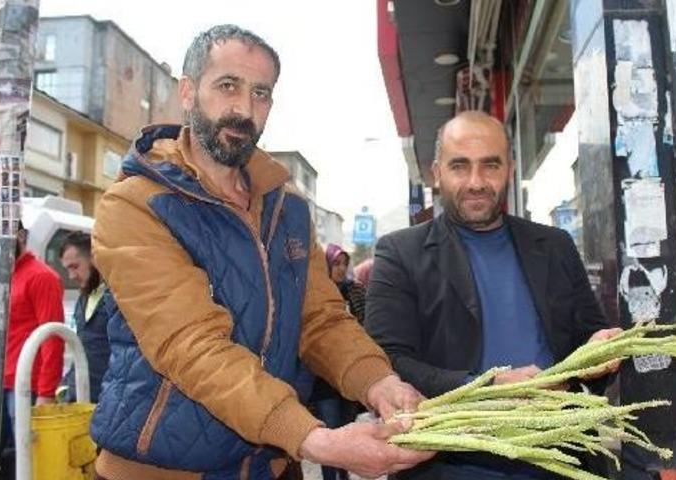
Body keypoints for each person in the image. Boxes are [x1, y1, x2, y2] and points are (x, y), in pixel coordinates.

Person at [89, 25, 431, 480]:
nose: (244, 109)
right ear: (188, 92)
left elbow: (321, 319)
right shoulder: (134, 203)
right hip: (162, 468)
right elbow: (192, 346)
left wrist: (378, 381)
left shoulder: (286, 209)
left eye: (261, 93)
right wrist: (316, 439)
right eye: (227, 85)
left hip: (266, 464)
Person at [365, 111, 620, 480]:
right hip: (450, 462)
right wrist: (488, 385)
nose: (476, 182)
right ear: (437, 172)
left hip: (560, 458)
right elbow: (388, 359)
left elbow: (587, 338)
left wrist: (600, 350)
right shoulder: (400, 252)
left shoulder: (554, 246)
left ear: (510, 169)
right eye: (459, 166)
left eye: (490, 165)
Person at [308, 244, 367, 480]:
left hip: (349, 382)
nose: (341, 269)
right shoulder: (315, 295)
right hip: (323, 384)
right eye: (336, 263)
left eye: (345, 263)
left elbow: (366, 329)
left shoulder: (355, 291)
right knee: (331, 439)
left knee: (347, 435)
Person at [4, 221, 64, 420]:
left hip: (25, 387)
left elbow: (53, 337)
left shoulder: (41, 277)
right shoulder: (0, 276)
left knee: (25, 450)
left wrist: (46, 393)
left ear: (20, 236)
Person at [58, 231, 110, 403]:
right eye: (67, 269)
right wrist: (66, 387)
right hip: (81, 398)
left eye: (75, 266)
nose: (71, 276)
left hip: (108, 402)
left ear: (93, 258)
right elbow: (83, 348)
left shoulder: (118, 298)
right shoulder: (84, 298)